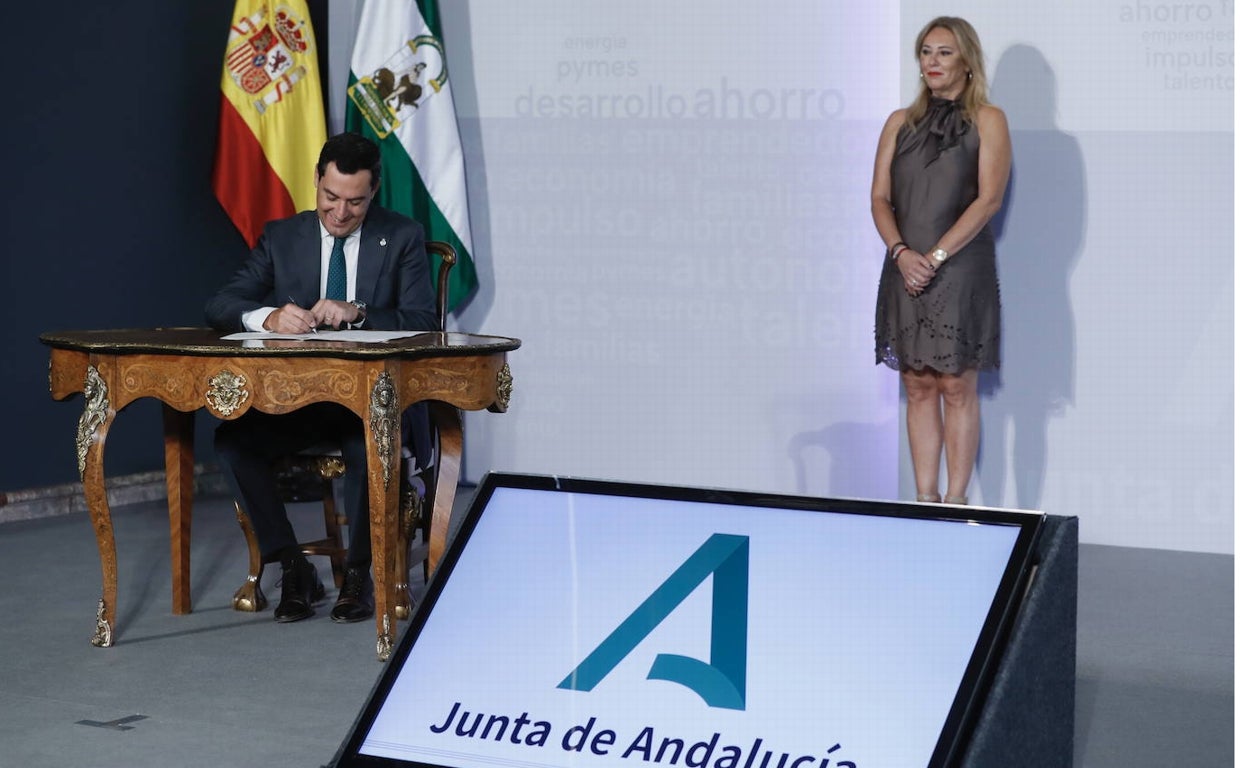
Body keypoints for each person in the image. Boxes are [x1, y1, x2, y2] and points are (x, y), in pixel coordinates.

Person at [206, 132, 436, 623]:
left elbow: (423, 321)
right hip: (301, 403)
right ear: (316, 181)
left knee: (365, 442)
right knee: (234, 442)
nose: (339, 212)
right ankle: (292, 567)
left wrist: (359, 312)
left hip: (376, 405)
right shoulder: (283, 236)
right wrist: (266, 317)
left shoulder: (402, 236)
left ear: (373, 193)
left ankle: (358, 574)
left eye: (355, 202)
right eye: (330, 197)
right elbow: (221, 304)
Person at [871, 17, 1011, 505]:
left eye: (944, 52)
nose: (932, 61)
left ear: (967, 60)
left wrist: (934, 256)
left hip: (959, 266)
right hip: (904, 266)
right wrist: (902, 254)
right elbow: (879, 199)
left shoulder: (988, 120)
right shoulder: (898, 122)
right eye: (926, 52)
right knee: (917, 382)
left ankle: (956, 503)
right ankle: (924, 500)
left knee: (956, 384)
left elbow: (989, 200)